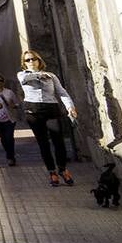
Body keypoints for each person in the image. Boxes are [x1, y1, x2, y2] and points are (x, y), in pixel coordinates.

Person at [17, 49, 77, 187]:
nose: (31, 62)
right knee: (43, 143)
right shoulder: (22, 74)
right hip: (33, 110)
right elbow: (24, 80)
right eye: (28, 60)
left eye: (33, 59)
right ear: (24, 63)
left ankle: (62, 169)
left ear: (39, 60)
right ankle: (52, 172)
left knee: (58, 140)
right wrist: (38, 75)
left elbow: (61, 92)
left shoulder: (51, 76)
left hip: (51, 108)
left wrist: (70, 107)